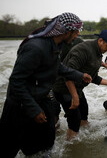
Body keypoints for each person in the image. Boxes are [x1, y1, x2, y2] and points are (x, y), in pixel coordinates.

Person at [0, 12, 92, 157]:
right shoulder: (35, 48)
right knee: (9, 148)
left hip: (41, 99)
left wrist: (80, 75)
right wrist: (34, 109)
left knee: (46, 145)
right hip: (20, 105)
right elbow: (16, 81)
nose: (77, 35)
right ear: (67, 31)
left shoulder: (55, 45)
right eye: (76, 31)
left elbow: (57, 67)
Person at [52, 30, 107, 140]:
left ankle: (81, 140)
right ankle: (70, 146)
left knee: (84, 113)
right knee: (74, 121)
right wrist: (75, 97)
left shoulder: (97, 52)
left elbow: (93, 77)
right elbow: (67, 74)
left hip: (77, 88)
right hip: (63, 88)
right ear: (101, 41)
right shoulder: (83, 49)